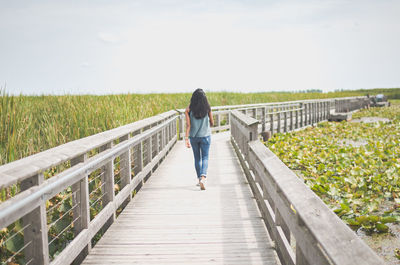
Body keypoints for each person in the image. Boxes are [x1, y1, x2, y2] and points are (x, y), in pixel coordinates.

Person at [185, 88, 214, 190]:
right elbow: (212, 122)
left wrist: (186, 139)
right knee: (205, 157)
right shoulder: (207, 108)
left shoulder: (188, 109)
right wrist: (207, 124)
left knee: (197, 158)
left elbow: (188, 125)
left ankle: (199, 179)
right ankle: (203, 178)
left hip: (194, 137)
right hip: (205, 136)